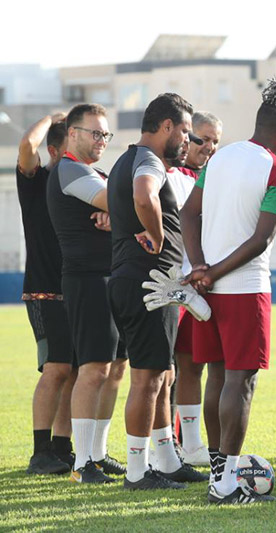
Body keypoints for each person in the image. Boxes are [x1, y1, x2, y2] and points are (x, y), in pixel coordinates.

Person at [181, 78, 276, 504]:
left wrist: (200, 267)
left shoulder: (219, 158)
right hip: (245, 288)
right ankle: (228, 483)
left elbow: (187, 213)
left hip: (207, 290)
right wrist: (213, 272)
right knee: (240, 382)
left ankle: (220, 477)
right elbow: (262, 239)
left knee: (217, 376)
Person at [108, 93, 207, 490]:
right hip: (147, 284)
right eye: (184, 131)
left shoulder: (127, 158)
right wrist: (156, 233)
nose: (187, 140)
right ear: (166, 127)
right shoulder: (147, 161)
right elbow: (144, 193)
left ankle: (166, 459)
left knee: (163, 375)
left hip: (148, 284)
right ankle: (137, 470)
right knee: (148, 379)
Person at [46, 103, 128, 483]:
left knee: (114, 370)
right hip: (87, 280)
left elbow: (118, 203)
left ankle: (97, 453)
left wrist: (116, 214)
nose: (101, 141)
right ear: (73, 133)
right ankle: (81, 464)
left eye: (105, 135)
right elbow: (120, 201)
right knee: (94, 369)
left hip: (113, 278)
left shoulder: (98, 173)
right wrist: (118, 209)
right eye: (94, 133)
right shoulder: (68, 169)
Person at [17, 113, 77, 475]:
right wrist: (52, 118)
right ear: (54, 150)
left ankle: (62, 448)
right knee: (56, 368)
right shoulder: (37, 180)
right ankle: (40, 453)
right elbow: (26, 146)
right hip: (44, 291)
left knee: (74, 371)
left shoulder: (83, 183)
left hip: (77, 289)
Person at [173, 111, 222, 466]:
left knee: (194, 365)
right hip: (172, 285)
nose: (209, 147)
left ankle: (191, 445)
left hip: (206, 285)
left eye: (216, 140)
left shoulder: (216, 179)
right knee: (165, 371)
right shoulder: (169, 174)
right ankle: (163, 445)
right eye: (203, 139)